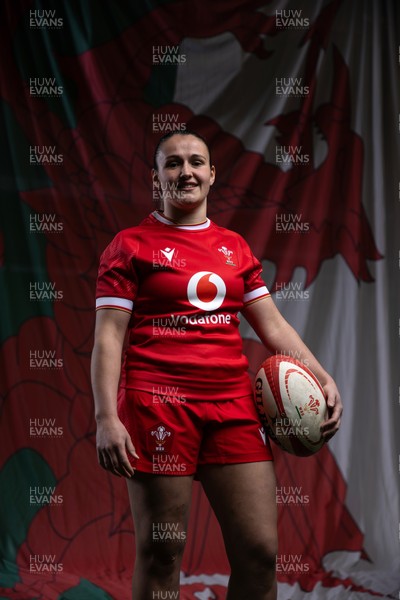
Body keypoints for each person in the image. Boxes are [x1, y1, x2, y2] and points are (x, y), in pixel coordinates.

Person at [91, 131, 342, 600]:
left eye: (195, 162)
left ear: (211, 175)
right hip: (157, 406)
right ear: (155, 179)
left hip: (233, 407)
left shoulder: (235, 248)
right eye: (172, 164)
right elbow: (109, 336)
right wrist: (107, 416)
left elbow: (274, 327)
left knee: (260, 552)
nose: (185, 171)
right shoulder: (129, 246)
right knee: (163, 553)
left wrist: (322, 374)